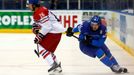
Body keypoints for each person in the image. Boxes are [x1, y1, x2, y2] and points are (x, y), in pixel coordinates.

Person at [26, 0, 65, 74]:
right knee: (47, 50)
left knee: (41, 48)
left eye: (29, 4)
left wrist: (39, 36)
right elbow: (45, 24)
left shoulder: (40, 11)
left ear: (34, 5)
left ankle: (53, 66)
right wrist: (36, 27)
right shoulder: (40, 10)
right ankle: (57, 65)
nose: (28, 6)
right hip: (55, 31)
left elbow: (47, 26)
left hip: (54, 31)